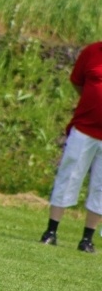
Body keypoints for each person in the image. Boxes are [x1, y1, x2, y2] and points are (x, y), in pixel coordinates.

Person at [39, 41, 102, 254]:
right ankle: (51, 232)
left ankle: (87, 239)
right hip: (83, 129)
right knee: (68, 176)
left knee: (101, 186)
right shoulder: (92, 51)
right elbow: (78, 82)